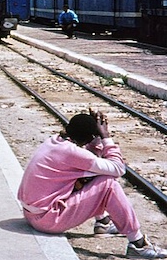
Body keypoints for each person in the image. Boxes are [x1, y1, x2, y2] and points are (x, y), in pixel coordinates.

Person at [18, 109, 167, 258]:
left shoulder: (55, 141)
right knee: (108, 184)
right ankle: (138, 244)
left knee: (95, 178)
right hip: (47, 220)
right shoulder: (72, 153)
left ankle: (103, 223)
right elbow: (118, 168)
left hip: (33, 214)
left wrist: (93, 138)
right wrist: (105, 138)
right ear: (90, 137)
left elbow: (94, 163)